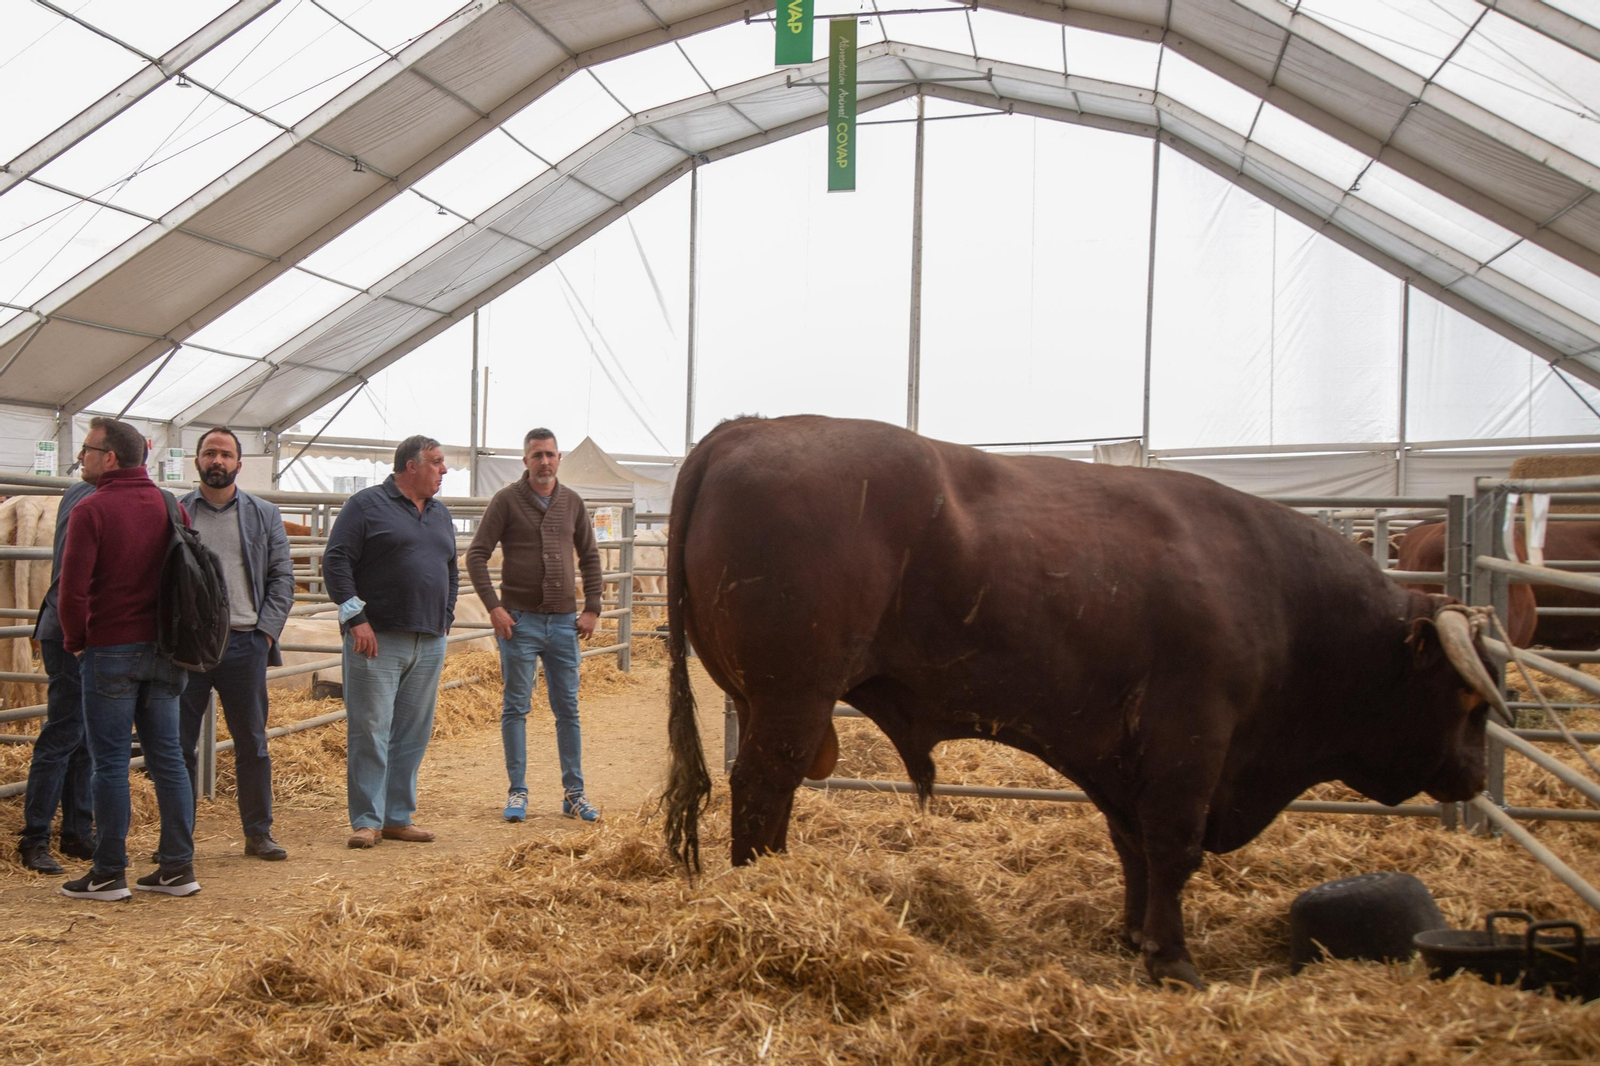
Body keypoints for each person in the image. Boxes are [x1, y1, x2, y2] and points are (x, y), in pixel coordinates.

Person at [57, 417, 198, 901]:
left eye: (88, 451)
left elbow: (72, 592)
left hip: (110, 647)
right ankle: (178, 867)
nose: (83, 459)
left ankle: (108, 872)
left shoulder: (91, 510)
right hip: (165, 650)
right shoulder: (169, 505)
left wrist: (76, 640)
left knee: (111, 762)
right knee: (169, 761)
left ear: (110, 458)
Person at [322, 435, 457, 849]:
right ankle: (367, 819)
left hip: (429, 638)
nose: (444, 470)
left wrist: (446, 615)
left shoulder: (439, 513)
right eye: (436, 462)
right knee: (371, 728)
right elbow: (335, 560)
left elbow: (450, 567)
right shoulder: (365, 505)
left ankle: (397, 815)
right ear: (411, 466)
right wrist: (355, 617)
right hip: (376, 637)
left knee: (413, 731)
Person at [466, 428, 603, 824]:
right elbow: (477, 555)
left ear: (559, 459)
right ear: (525, 461)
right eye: (537, 455)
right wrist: (494, 607)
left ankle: (574, 793)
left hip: (564, 623)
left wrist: (593, 607)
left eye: (550, 454)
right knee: (515, 707)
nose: (544, 462)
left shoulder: (572, 503)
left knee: (568, 709)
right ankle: (518, 792)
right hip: (519, 623)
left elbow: (590, 557)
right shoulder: (506, 501)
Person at [176, 427, 294, 861]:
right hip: (189, 645)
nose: (217, 461)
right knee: (178, 744)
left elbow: (282, 576)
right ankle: (178, 837)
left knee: (252, 742)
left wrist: (266, 631)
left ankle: (258, 833)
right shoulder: (177, 512)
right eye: (210, 453)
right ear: (197, 461)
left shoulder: (264, 514)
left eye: (226, 454)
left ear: (239, 465)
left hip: (245, 641)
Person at [16, 474, 97, 874]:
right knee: (65, 730)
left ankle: (77, 830)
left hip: (76, 627)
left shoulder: (80, 494)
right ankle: (35, 837)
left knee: (82, 732)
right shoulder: (89, 498)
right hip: (71, 629)